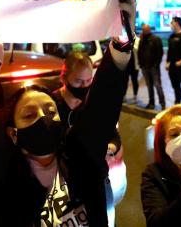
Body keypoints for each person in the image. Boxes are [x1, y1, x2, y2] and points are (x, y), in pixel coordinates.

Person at [0, 0, 136, 227]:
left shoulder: (80, 157)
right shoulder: (4, 178)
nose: (44, 117)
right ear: (12, 132)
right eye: (30, 114)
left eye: (51, 111)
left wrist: (122, 37)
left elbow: (103, 104)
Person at [50, 50, 127, 226]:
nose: (84, 86)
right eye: (78, 81)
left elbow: (114, 136)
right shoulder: (52, 105)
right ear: (65, 77)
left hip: (98, 182)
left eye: (88, 81)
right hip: (64, 186)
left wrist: (109, 148)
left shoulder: (93, 104)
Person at [137, 24, 165, 110]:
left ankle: (162, 103)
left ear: (149, 29)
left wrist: (156, 64)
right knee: (149, 86)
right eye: (142, 29)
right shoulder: (142, 40)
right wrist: (141, 64)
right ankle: (151, 103)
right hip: (145, 67)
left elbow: (160, 53)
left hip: (154, 67)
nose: (143, 31)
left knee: (157, 85)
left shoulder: (156, 39)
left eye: (145, 29)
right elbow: (139, 52)